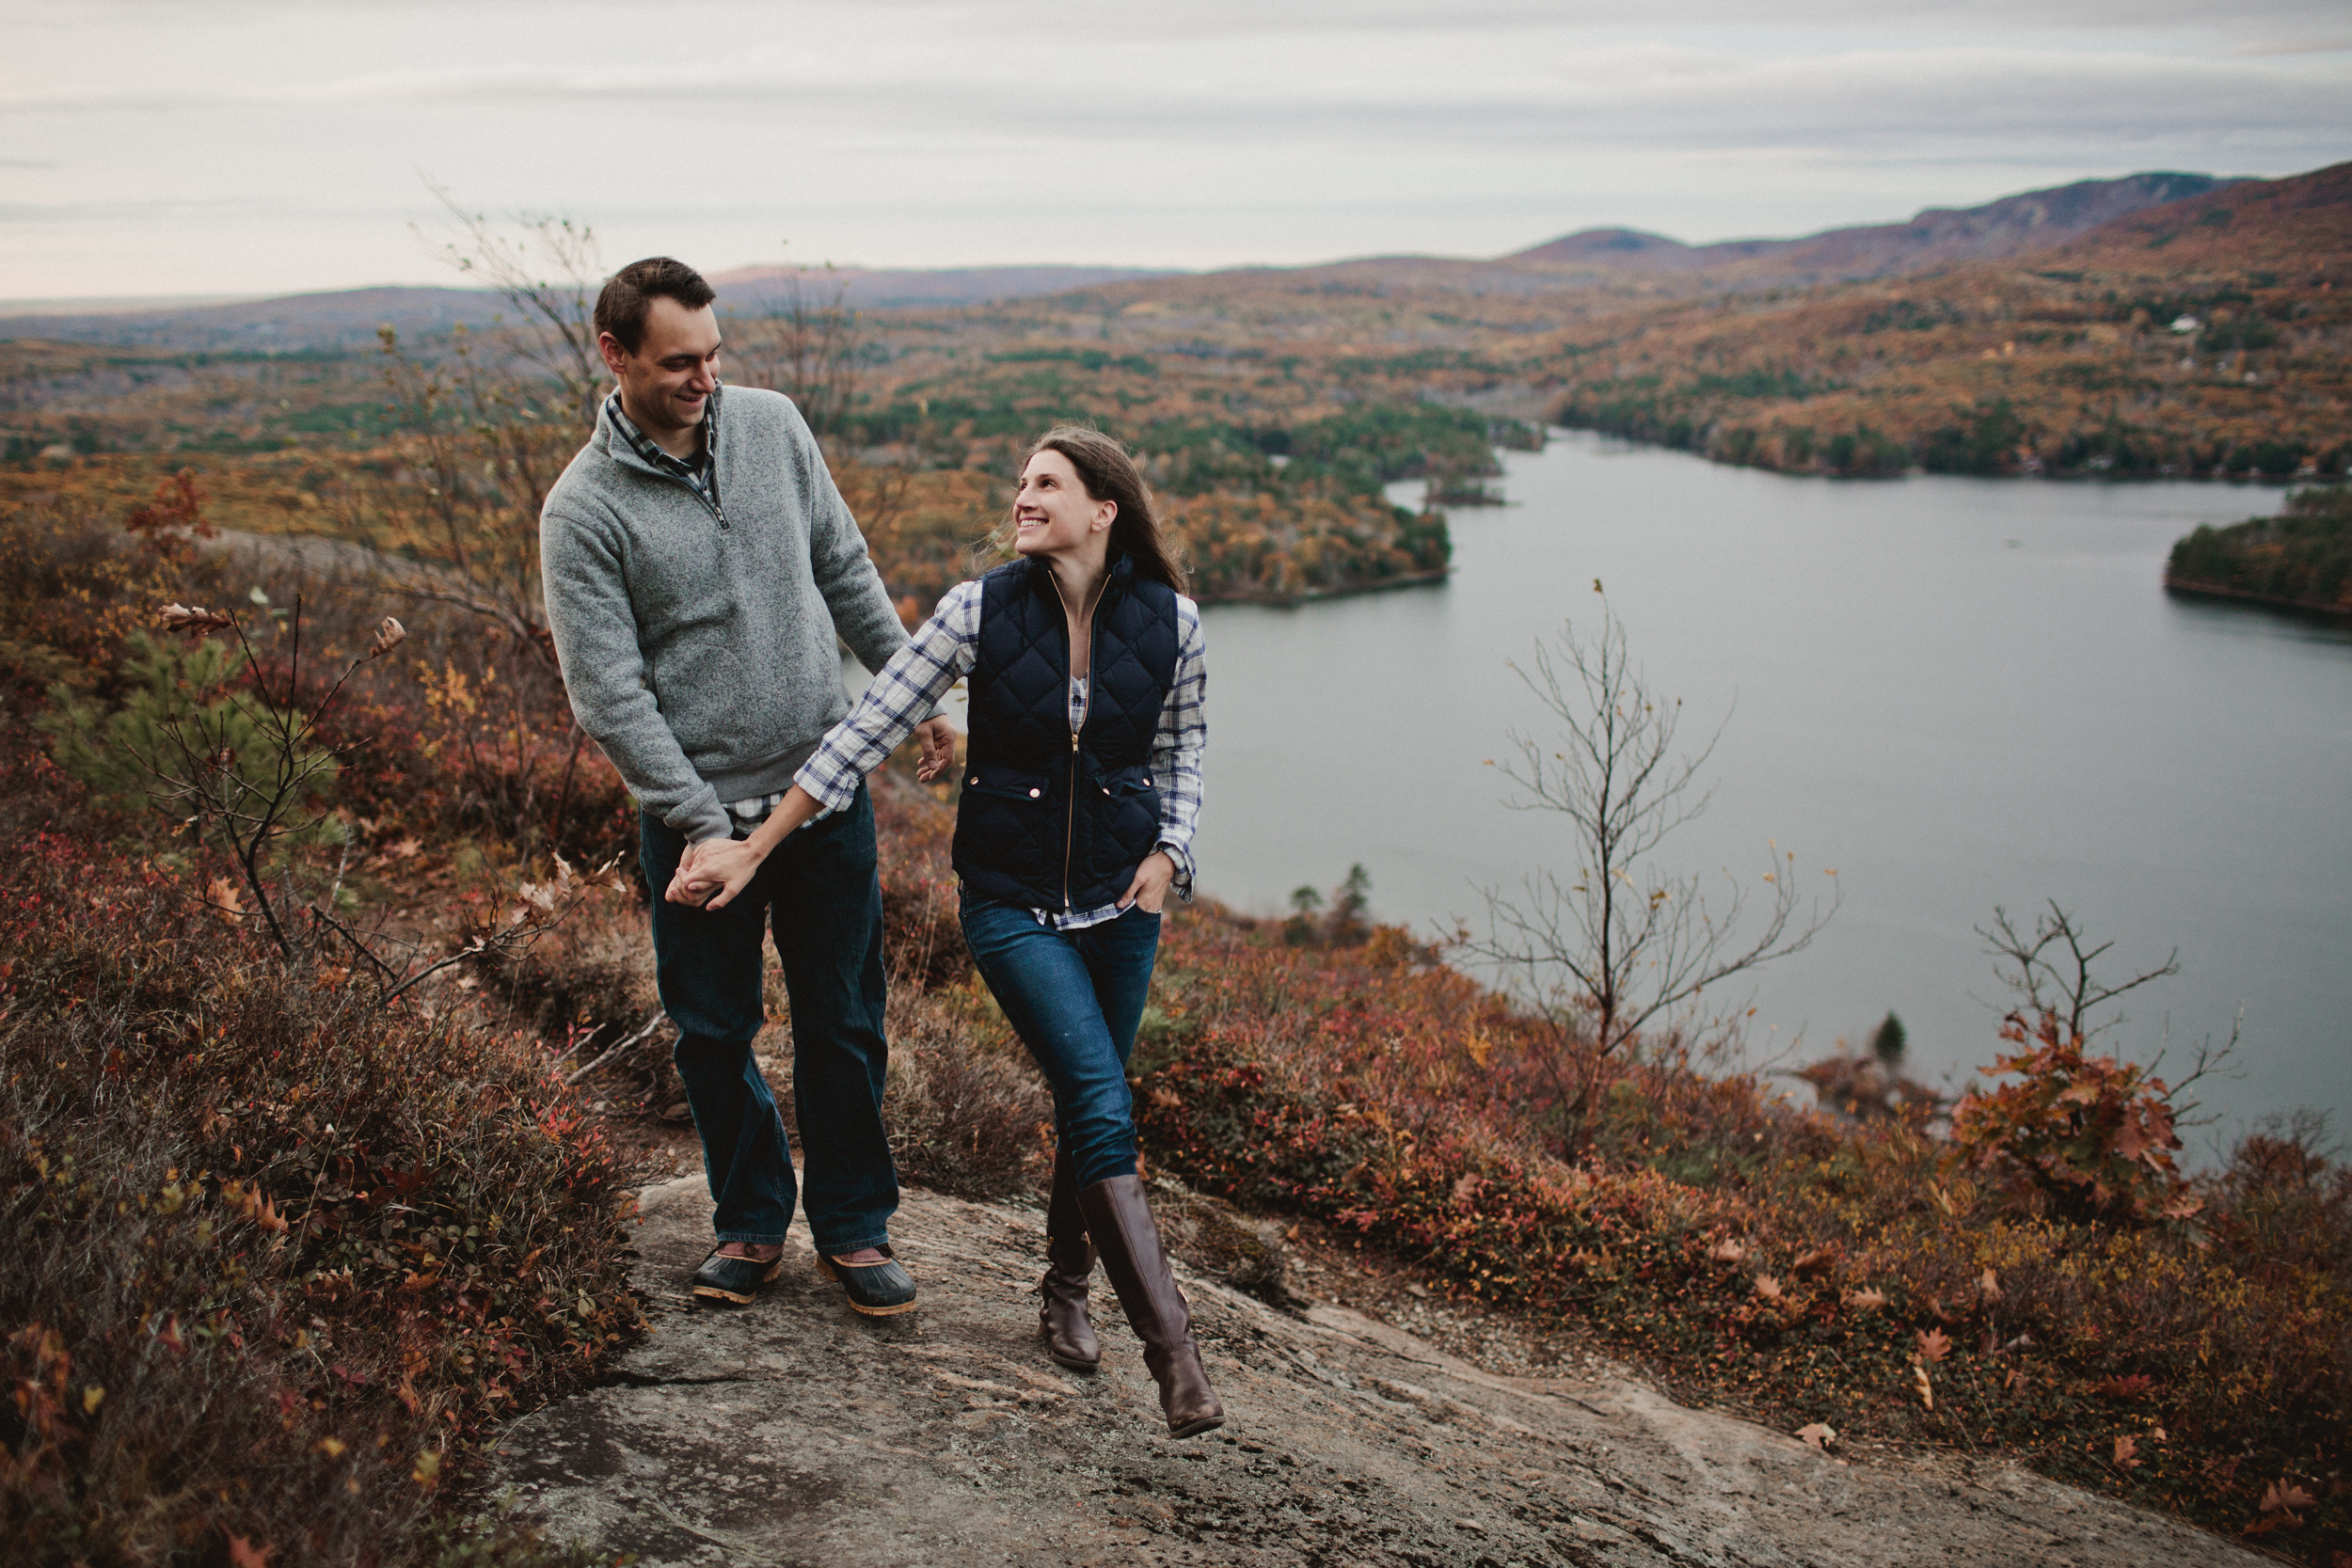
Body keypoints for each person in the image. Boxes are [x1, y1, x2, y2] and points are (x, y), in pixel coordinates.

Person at [672, 425, 1222, 1439]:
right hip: (1010, 905)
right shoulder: (979, 611)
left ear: (1104, 507)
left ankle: (1064, 1286)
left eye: (1045, 482)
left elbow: (1182, 747)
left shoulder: (1173, 623)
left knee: (1087, 1091)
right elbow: (862, 730)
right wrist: (755, 845)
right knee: (1099, 1093)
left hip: (1121, 903)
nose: (1022, 495)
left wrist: (1170, 856)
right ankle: (1174, 1354)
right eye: (1018, 480)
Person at [538, 257, 956, 1314]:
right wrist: (703, 822)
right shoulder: (582, 510)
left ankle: (856, 1229)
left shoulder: (772, 426)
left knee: (844, 1019)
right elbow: (610, 695)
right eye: (679, 361)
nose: (704, 377)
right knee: (714, 1029)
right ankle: (751, 1219)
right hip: (694, 822)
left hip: (824, 794)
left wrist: (916, 708)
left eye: (714, 353)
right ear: (614, 354)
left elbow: (845, 567)